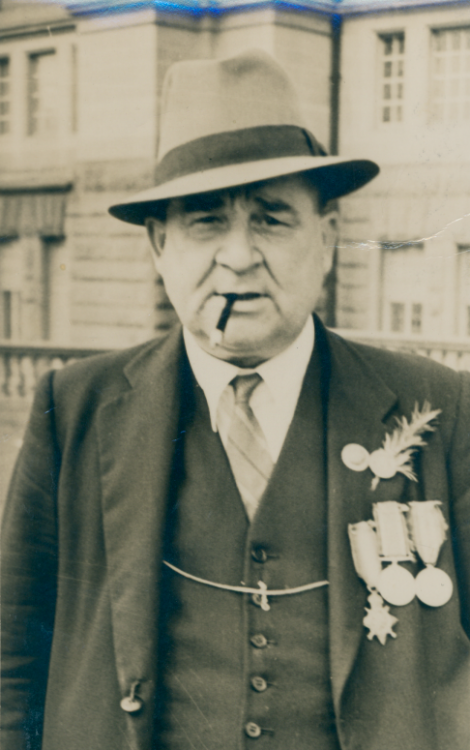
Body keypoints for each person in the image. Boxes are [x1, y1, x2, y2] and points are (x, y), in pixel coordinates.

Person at [1, 50, 469, 750]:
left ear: (328, 238)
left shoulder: (439, 409)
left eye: (272, 219)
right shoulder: (71, 410)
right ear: (160, 246)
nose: (240, 256)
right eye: (206, 222)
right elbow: (13, 666)